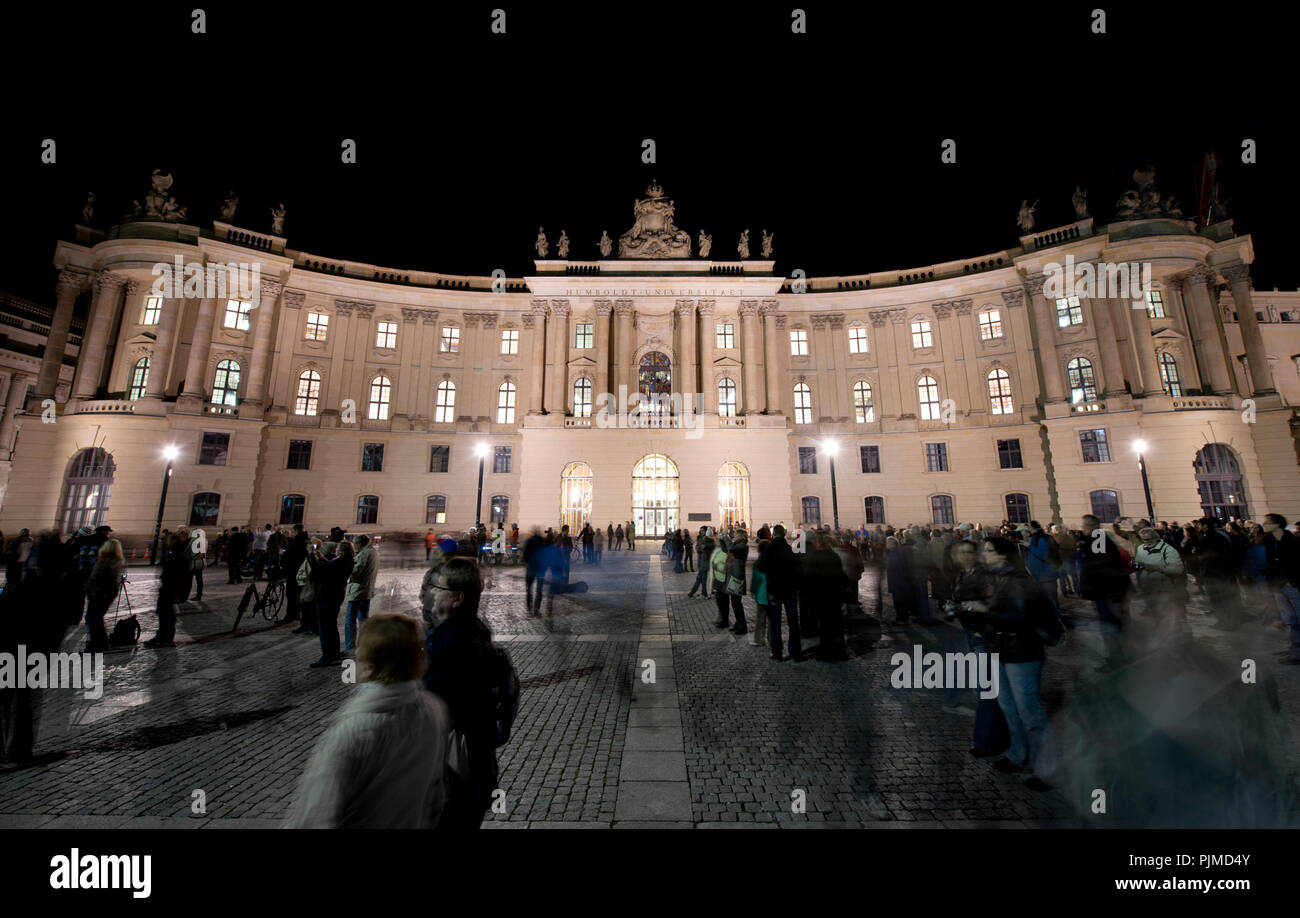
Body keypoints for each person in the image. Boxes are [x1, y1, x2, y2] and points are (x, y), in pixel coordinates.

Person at [286, 613, 450, 828]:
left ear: (370, 662)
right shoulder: (433, 709)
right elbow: (435, 795)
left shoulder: (353, 730)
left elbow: (317, 814)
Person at [421, 557, 515, 830]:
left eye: (435, 588)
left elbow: (428, 716)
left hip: (448, 779)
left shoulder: (450, 650)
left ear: (457, 598)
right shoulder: (472, 635)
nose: (427, 593)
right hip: (471, 774)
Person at [962, 537, 1058, 791]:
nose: (985, 555)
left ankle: (1046, 767)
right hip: (1001, 648)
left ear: (1004, 555)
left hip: (1022, 651)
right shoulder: (995, 578)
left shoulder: (1018, 579)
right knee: (1008, 707)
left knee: (1030, 710)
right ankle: (1018, 754)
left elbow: (1019, 615)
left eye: (990, 551)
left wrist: (984, 611)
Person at [1079, 513, 1130, 670]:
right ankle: (1117, 656)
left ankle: (1116, 659)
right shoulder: (1096, 539)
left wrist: (1092, 586)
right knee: (1110, 624)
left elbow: (1101, 565)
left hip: (1107, 591)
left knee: (1109, 626)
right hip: (1106, 590)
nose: (1083, 529)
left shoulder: (1098, 539)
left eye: (1085, 526)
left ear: (1091, 527)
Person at [755, 524, 805, 662]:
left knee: (775, 623)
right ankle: (795, 651)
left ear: (773, 534)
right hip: (790, 590)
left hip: (774, 590)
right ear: (783, 534)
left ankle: (777, 652)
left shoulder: (769, 549)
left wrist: (771, 572)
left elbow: (760, 566)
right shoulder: (791, 549)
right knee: (793, 622)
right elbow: (799, 570)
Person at [1134, 526, 1187, 633]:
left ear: (1156, 538)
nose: (1145, 542)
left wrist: (1157, 567)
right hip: (1148, 588)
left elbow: (1178, 569)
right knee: (1154, 614)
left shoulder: (1168, 550)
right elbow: (1139, 563)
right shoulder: (1141, 548)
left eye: (1147, 539)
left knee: (1168, 614)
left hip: (1164, 588)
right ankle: (1159, 635)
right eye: (1142, 539)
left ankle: (1175, 637)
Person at [308, 540, 352, 667]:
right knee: (331, 627)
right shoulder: (346, 560)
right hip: (335, 596)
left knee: (326, 628)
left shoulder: (341, 561)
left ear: (342, 550)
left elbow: (318, 570)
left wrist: (311, 555)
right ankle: (334, 654)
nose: (336, 550)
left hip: (328, 597)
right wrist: (322, 558)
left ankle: (327, 657)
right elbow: (330, 566)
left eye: (339, 549)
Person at [145, 529, 192, 648]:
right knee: (163, 612)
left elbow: (179, 572)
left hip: (171, 586)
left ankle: (166, 637)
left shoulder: (177, 554)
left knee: (167, 613)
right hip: (168, 586)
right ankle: (161, 635)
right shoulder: (175, 552)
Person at [1263, 514, 1300, 663]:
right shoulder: (1272, 541)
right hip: (1279, 585)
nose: (1264, 524)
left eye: (1267, 522)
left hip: (1291, 585)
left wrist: (1293, 581)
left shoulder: (1291, 541)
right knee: (1290, 619)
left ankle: (1297, 653)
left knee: (1297, 619)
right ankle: (1295, 649)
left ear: (1277, 524)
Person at [806, 532, 848, 660]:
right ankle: (838, 650)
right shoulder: (834, 556)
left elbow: (810, 577)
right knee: (835, 621)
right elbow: (841, 575)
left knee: (824, 624)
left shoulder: (815, 557)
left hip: (821, 595)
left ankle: (826, 651)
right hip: (834, 594)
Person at [82, 538, 126, 652]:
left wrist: (87, 589)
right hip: (109, 592)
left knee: (93, 618)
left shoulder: (104, 561)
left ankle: (96, 643)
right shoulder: (118, 561)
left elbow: (95, 577)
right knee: (97, 617)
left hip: (99, 592)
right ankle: (101, 642)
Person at [344, 535, 378, 653]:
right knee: (363, 618)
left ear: (360, 543)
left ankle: (350, 646)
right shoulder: (373, 552)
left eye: (356, 544)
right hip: (366, 590)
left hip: (358, 590)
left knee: (350, 619)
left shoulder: (364, 554)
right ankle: (363, 644)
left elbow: (356, 571)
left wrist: (347, 567)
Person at [284, 524, 310, 628]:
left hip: (294, 570)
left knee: (292, 593)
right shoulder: (305, 540)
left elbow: (292, 554)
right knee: (297, 594)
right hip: (298, 570)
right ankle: (295, 614)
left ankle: (292, 615)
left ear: (297, 531)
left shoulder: (299, 540)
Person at [294, 538, 320, 637]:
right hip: (302, 583)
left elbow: (312, 571)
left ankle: (310, 627)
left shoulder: (314, 556)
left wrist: (303, 577)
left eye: (311, 544)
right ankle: (304, 625)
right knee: (303, 607)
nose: (308, 546)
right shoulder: (308, 556)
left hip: (307, 584)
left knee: (309, 607)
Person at [748, 539, 770, 647]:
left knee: (760, 618)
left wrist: (752, 590)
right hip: (773, 593)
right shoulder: (774, 561)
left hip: (762, 594)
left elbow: (756, 579)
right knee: (772, 619)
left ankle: (759, 640)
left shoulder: (759, 563)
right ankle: (772, 639)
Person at [710, 535, 732, 628]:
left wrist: (717, 567)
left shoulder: (726, 553)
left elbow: (727, 568)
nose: (716, 541)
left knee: (724, 603)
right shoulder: (718, 551)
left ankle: (725, 621)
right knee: (719, 602)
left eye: (718, 540)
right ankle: (721, 619)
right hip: (717, 579)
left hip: (723, 580)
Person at [522, 527, 546, 613]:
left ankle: (529, 608)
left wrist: (527, 562)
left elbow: (525, 554)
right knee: (539, 589)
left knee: (529, 589)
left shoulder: (529, 541)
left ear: (533, 532)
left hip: (531, 567)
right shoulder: (542, 541)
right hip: (540, 568)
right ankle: (537, 608)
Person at [187, 529, 207, 601]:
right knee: (199, 579)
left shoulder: (193, 541)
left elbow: (187, 551)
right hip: (201, 561)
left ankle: (186, 595)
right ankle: (199, 594)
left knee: (189, 579)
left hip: (194, 562)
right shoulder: (203, 541)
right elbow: (204, 553)